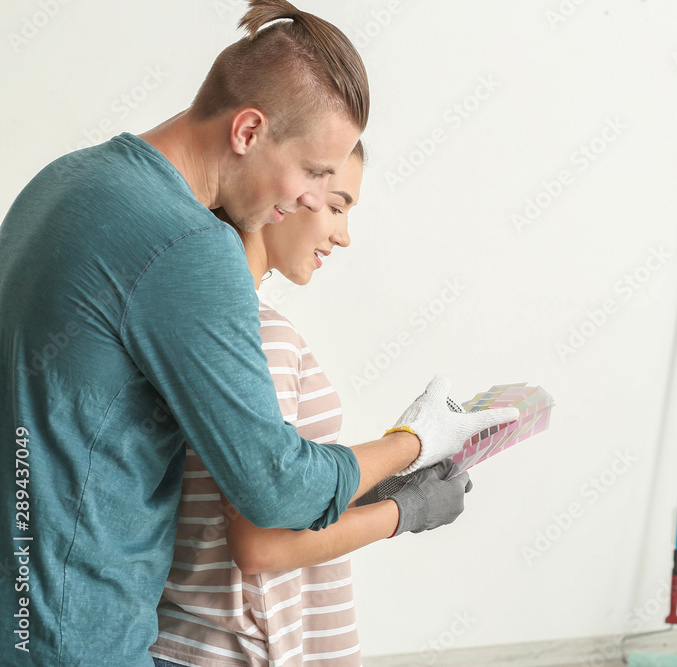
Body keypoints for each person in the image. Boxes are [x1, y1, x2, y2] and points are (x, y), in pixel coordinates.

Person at [0, 2, 516, 665]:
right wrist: (417, 443)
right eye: (314, 174)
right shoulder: (189, 244)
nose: (310, 201)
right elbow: (274, 489)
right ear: (248, 129)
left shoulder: (61, 182)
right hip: (77, 645)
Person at [150, 143, 471, 667]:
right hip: (233, 651)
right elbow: (262, 547)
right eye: (338, 205)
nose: (343, 235)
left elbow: (264, 493)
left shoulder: (208, 321)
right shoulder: (259, 336)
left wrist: (381, 482)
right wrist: (405, 511)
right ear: (289, 188)